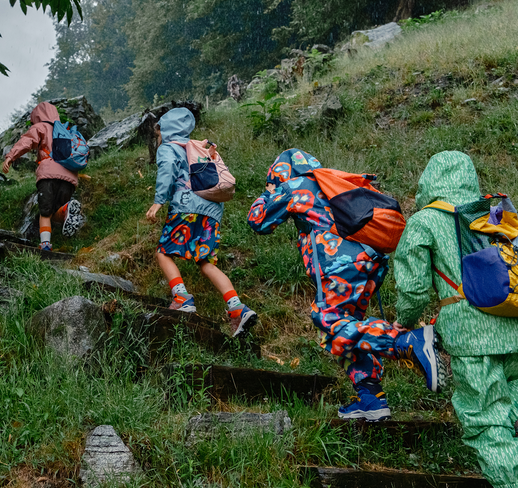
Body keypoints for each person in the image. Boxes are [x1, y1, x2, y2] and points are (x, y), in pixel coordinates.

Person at [392, 151, 518, 488]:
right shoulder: (493, 212)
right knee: (508, 386)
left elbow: (414, 288)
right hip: (517, 326)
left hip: (472, 335)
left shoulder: (425, 220)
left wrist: (404, 321)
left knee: (486, 420)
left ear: (428, 181)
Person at [246, 148, 444, 421]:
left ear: (281, 172)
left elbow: (258, 221)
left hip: (340, 266)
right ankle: (370, 397)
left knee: (328, 320)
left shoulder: (296, 185)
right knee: (346, 329)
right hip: (370, 263)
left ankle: (405, 341)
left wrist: (270, 190)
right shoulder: (330, 185)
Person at [145, 107, 257, 337]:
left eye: (158, 135)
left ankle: (181, 297)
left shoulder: (169, 148)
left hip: (186, 209)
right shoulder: (197, 148)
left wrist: (158, 201)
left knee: (163, 252)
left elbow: (167, 170)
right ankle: (237, 308)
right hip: (212, 213)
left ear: (164, 131)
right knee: (206, 262)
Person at [2, 102, 84, 251]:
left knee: (45, 213)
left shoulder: (41, 127)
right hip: (70, 178)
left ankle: (45, 245)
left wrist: (10, 157)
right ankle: (66, 209)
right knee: (56, 211)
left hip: (48, 175)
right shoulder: (65, 130)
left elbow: (27, 141)